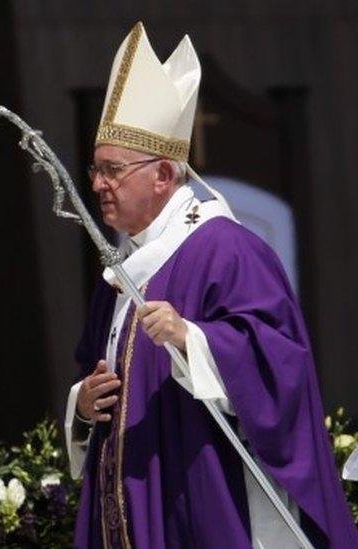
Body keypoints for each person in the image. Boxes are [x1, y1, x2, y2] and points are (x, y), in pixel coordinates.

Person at [63, 21, 358, 548]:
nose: (98, 185)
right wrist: (84, 405)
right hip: (133, 496)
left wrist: (192, 339)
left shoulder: (228, 249)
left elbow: (282, 367)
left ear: (163, 176)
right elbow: (100, 371)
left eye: (113, 170)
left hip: (200, 490)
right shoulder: (122, 266)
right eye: (94, 169)